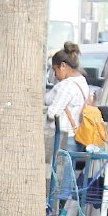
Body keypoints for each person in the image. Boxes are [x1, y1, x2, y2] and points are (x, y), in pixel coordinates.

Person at [45, 41, 90, 202]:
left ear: (63, 66)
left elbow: (53, 112)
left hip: (63, 136)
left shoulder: (67, 86)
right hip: (75, 136)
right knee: (66, 183)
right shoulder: (82, 82)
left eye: (55, 69)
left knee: (57, 185)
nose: (55, 74)